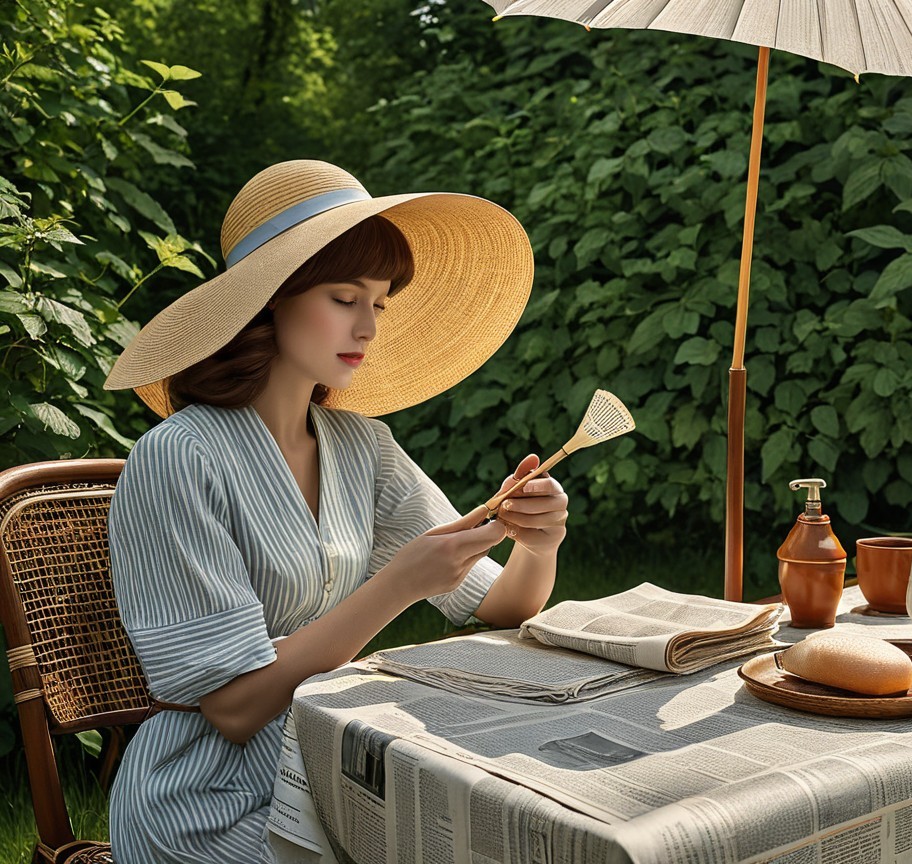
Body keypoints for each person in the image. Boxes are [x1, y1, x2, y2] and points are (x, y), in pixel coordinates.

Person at [102, 160, 565, 864]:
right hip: (209, 804)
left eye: (378, 303)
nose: (369, 327)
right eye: (344, 297)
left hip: (335, 765)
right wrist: (400, 583)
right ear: (269, 302)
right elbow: (231, 709)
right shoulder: (179, 457)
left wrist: (536, 541)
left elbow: (499, 606)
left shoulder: (362, 446)